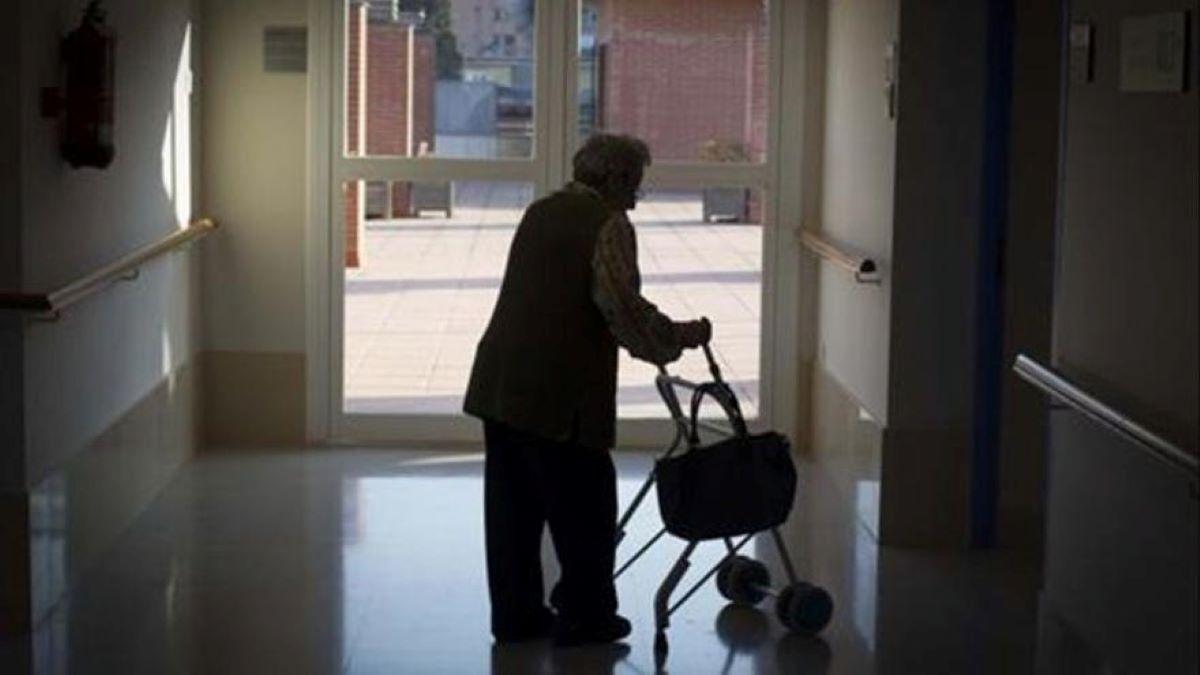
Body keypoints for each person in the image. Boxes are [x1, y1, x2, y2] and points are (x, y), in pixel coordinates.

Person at [464, 133, 711, 646]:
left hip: (500, 381)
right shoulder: (607, 225)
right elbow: (623, 310)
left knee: (513, 511)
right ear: (617, 179)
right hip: (560, 395)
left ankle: (517, 618)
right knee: (587, 510)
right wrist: (681, 337)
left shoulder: (542, 211)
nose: (638, 196)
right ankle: (586, 616)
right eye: (636, 183)